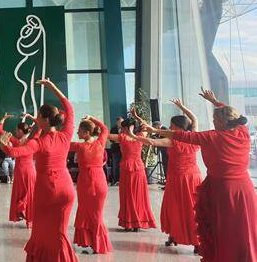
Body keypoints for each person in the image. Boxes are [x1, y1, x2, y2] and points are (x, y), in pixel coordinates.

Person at [143, 88, 257, 262]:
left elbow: (178, 135)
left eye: (214, 119)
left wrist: (155, 130)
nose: (212, 122)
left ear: (220, 122)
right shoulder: (243, 132)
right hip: (245, 189)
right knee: (244, 227)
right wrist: (215, 101)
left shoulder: (210, 137)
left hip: (222, 190)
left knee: (222, 228)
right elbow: (233, 115)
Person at [0, 78, 77, 261]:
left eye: (38, 117)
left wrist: (4, 146)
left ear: (44, 119)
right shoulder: (66, 134)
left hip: (47, 190)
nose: (36, 120)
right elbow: (70, 108)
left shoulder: (39, 142)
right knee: (60, 232)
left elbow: (16, 152)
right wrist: (53, 87)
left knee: (42, 232)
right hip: (66, 189)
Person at [125, 99, 201, 252]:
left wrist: (133, 136)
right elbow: (195, 119)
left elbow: (151, 141)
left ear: (178, 127)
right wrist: (181, 107)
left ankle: (190, 240)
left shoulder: (173, 141)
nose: (170, 127)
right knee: (192, 209)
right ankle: (189, 240)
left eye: (172, 125)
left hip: (179, 180)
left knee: (177, 208)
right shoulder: (193, 136)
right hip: (193, 178)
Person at [68, 116, 113, 254]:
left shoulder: (80, 146)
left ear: (87, 133)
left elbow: (64, 142)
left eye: (80, 131)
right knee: (97, 214)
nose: (78, 134)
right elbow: (104, 128)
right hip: (100, 181)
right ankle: (96, 244)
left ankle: (96, 244)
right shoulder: (100, 142)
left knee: (86, 212)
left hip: (86, 182)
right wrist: (92, 118)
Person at [107, 117, 157, 232]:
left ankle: (130, 222)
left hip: (128, 169)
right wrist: (137, 118)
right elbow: (146, 124)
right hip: (137, 168)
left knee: (129, 196)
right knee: (138, 195)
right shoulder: (140, 136)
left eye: (123, 127)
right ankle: (136, 222)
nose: (122, 129)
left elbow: (106, 135)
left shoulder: (123, 138)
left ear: (126, 127)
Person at [0, 113, 37, 227]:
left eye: (16, 130)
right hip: (27, 170)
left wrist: (3, 119)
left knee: (22, 194)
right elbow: (38, 127)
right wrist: (30, 117)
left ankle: (27, 217)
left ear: (20, 131)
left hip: (21, 170)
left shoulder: (16, 141)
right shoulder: (31, 141)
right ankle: (30, 220)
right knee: (29, 194)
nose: (15, 131)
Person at [108, 117, 123, 185]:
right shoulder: (113, 129)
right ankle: (116, 180)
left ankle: (122, 179)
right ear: (117, 122)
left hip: (124, 149)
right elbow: (110, 139)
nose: (121, 123)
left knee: (123, 165)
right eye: (119, 122)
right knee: (116, 165)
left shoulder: (125, 129)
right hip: (116, 149)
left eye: (122, 122)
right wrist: (116, 141)